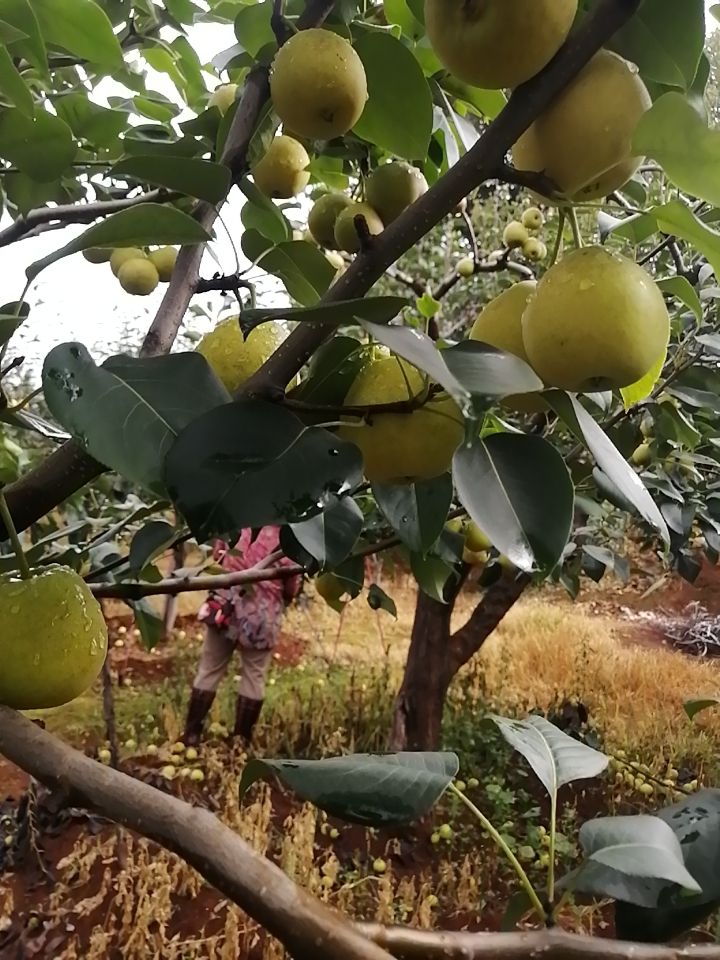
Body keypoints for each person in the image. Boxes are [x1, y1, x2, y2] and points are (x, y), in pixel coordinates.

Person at [183, 526, 302, 746]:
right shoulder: (288, 539)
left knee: (209, 670)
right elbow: (291, 588)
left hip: (225, 608)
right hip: (261, 617)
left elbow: (217, 558)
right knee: (254, 676)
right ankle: (240, 744)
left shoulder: (236, 525)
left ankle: (191, 736)